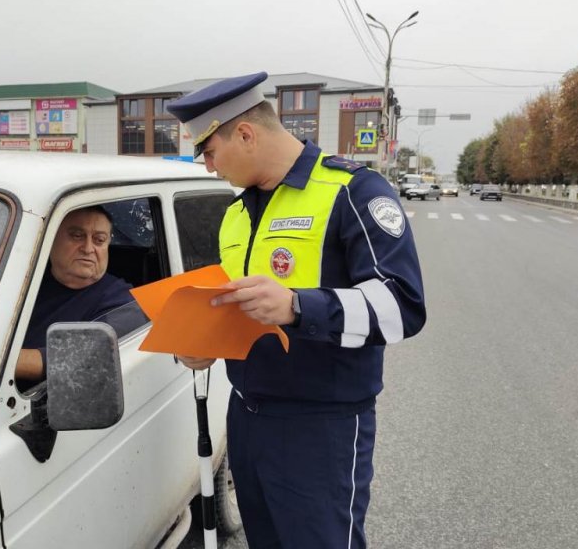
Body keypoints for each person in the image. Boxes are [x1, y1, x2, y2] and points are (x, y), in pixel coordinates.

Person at [166, 72, 426, 549]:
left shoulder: (353, 192)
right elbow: (233, 309)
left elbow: (402, 306)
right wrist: (199, 345)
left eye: (208, 151)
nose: (206, 167)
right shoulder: (236, 213)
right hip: (247, 418)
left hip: (321, 427)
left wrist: (296, 306)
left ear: (244, 134)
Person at [0, 206, 135, 383]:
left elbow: (66, 361)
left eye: (99, 240)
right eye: (77, 235)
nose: (88, 248)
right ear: (50, 239)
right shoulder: (20, 279)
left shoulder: (123, 303)